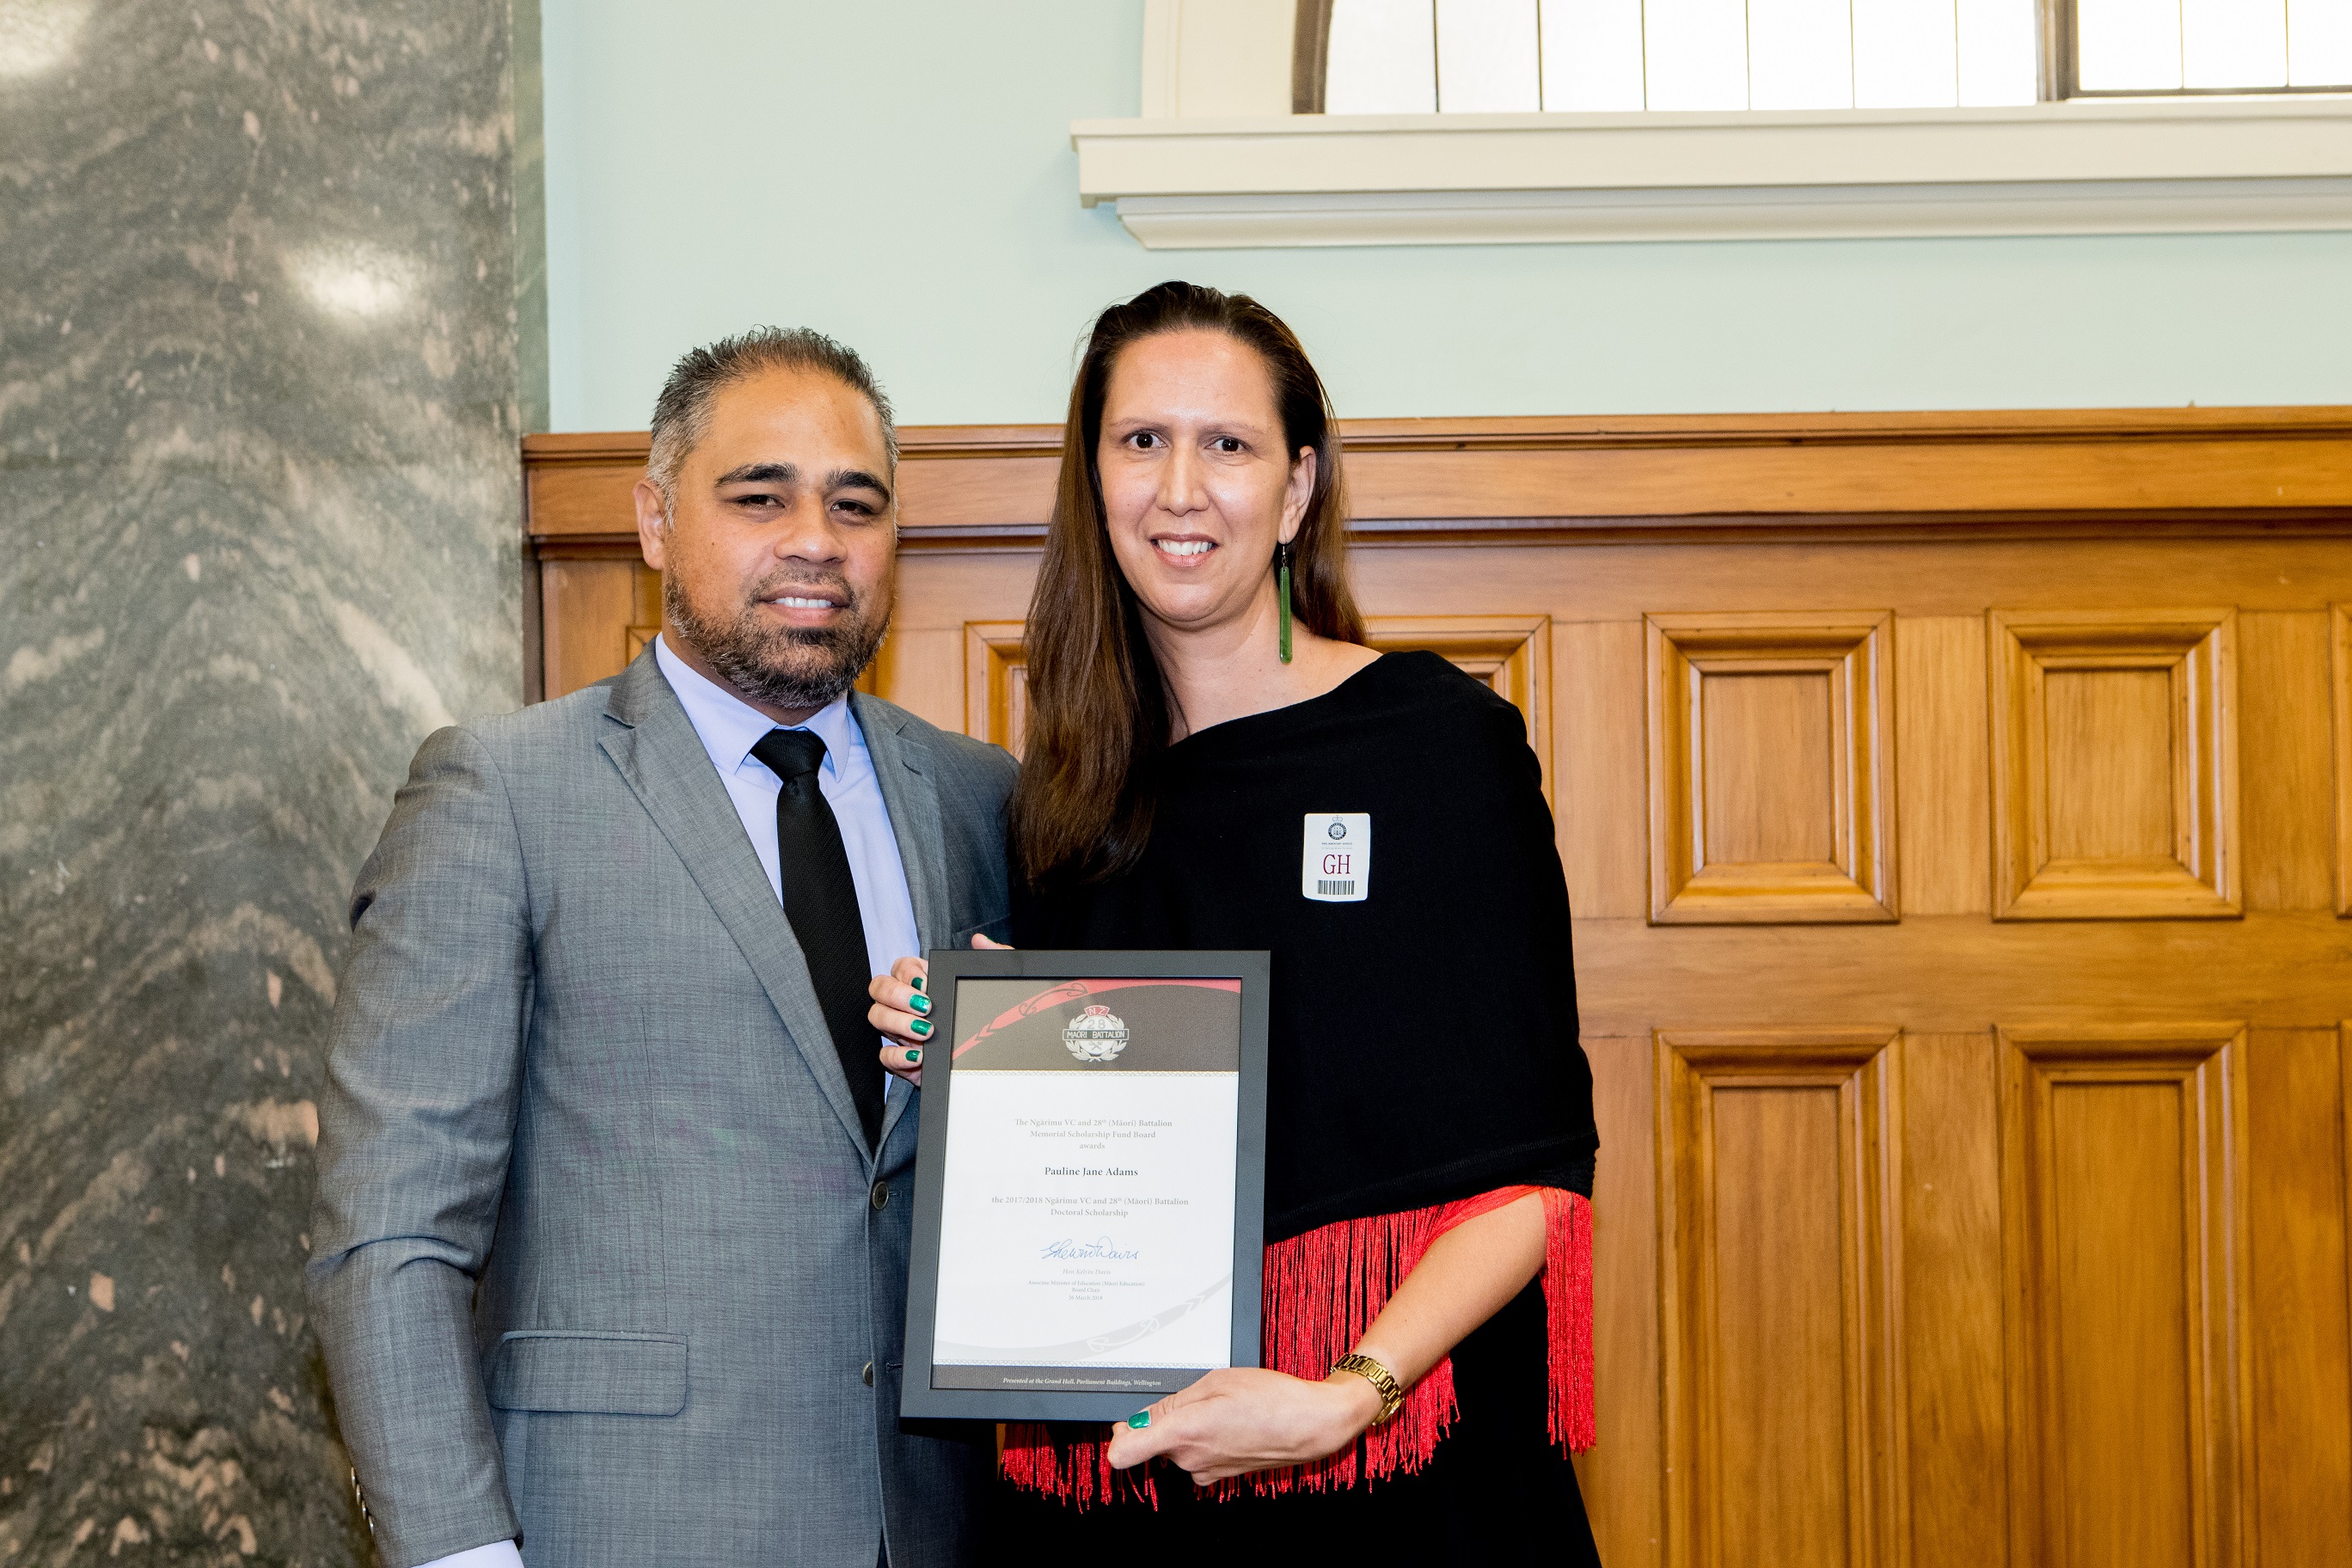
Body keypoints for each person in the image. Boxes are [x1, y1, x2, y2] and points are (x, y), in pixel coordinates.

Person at [867, 282, 1602, 1565]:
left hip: (1401, 1483)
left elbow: (1535, 1176)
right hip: (1132, 1499)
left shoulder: (1437, 747)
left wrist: (1343, 1399)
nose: (1181, 489)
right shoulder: (1064, 807)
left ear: (1298, 488)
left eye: (1229, 444)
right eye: (1142, 440)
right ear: (1094, 478)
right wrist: (972, 1045)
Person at [308, 328, 1015, 1568]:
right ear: (654, 520)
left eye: (856, 504)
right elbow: (391, 1232)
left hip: (933, 1526)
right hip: (618, 1525)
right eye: (760, 497)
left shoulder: (978, 796)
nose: (815, 540)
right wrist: (461, 1556)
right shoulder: (502, 793)